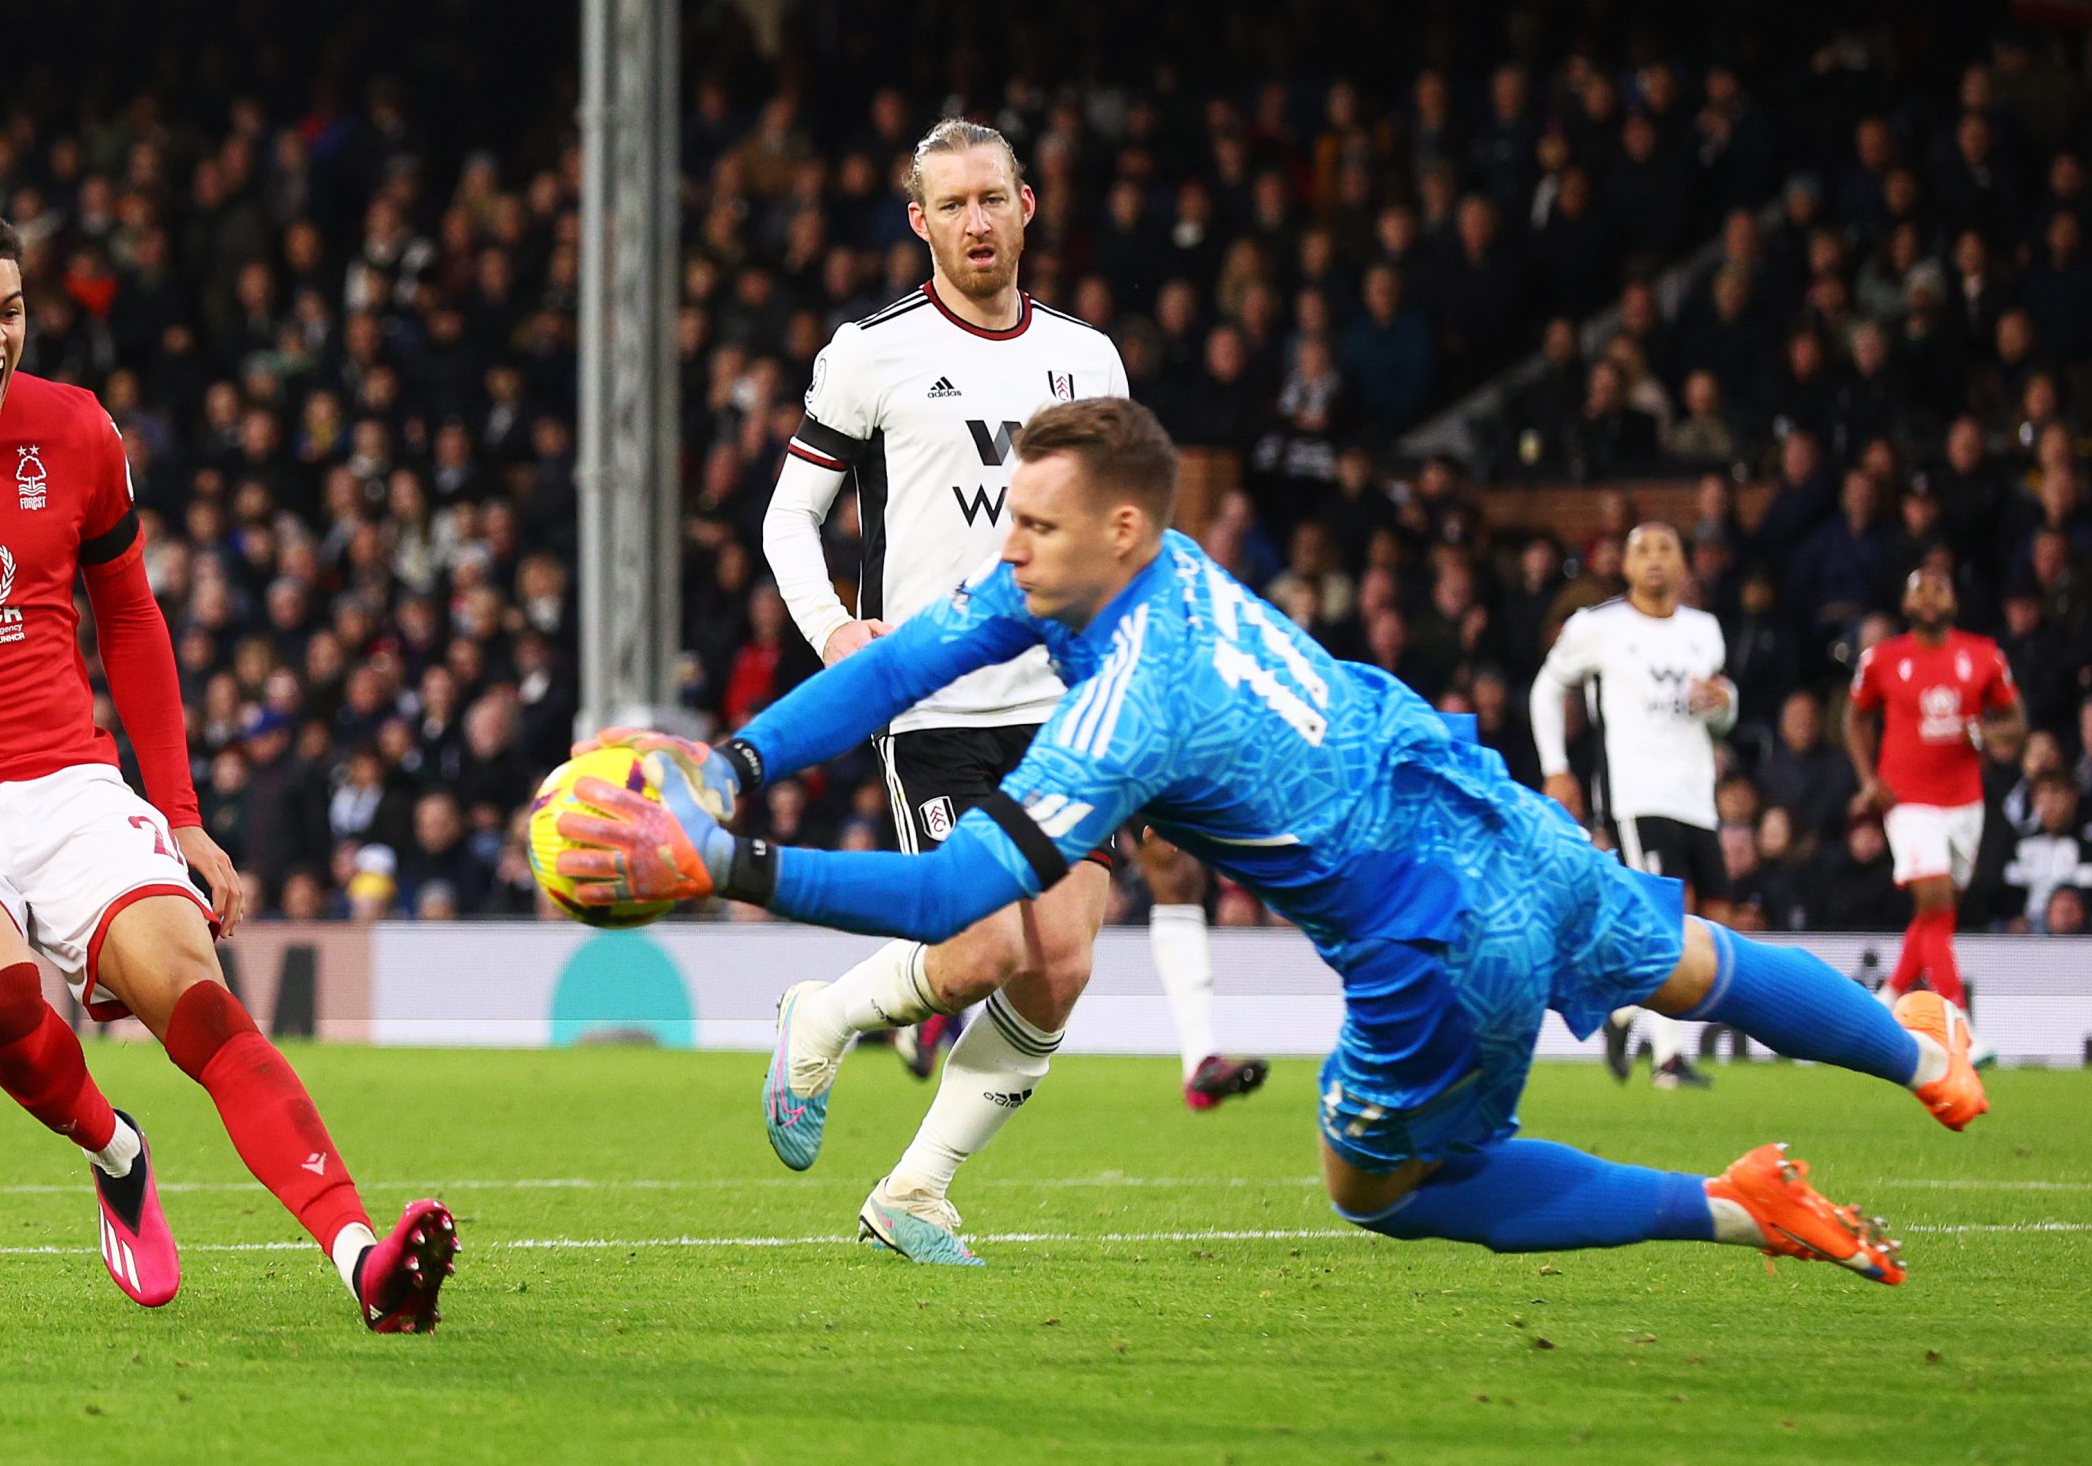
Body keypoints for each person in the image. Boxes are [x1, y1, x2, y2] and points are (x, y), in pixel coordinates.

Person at [561, 398, 1983, 1282]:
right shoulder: (1141, 564)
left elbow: (952, 887)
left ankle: (1734, 1204)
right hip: (1495, 815)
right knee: (1697, 962)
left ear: (1115, 527)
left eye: (1034, 527)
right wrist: (738, 759)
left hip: (1437, 939)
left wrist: (729, 866)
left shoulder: (1134, 703)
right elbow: (896, 664)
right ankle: (1927, 1053)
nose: (1010, 551)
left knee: (1382, 1185)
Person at [0, 201, 455, 1333]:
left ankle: (360, 1258)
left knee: (198, 999)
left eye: (10, 310)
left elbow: (133, 621)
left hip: (66, 786)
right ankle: (116, 1151)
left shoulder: (79, 435)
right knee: (2, 997)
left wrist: (183, 816)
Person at [756, 119, 1263, 1266]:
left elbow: (1127, 539)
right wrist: (835, 631)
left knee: (1064, 960)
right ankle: (822, 1015)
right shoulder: (869, 352)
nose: (976, 223)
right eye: (953, 206)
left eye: (993, 199)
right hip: (937, 704)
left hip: (1070, 707)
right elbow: (790, 515)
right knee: (984, 947)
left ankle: (916, 1191)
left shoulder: (1090, 360)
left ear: (1027, 206)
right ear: (918, 222)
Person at [1528, 522, 1737, 1089]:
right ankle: (1668, 1058)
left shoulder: (1703, 630)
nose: (1654, 560)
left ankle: (1620, 1012)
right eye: (1642, 549)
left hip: (1695, 794)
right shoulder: (1598, 628)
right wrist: (1556, 767)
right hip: (1635, 794)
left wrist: (1725, 703)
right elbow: (1547, 688)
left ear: (1683, 564)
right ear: (1623, 565)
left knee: (1713, 915)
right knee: (1664, 920)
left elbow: (1721, 712)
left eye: (1666, 548)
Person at [1843, 567, 2022, 1063]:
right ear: (1905, 601)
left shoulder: (1983, 655)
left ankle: (1888, 999)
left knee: (1936, 913)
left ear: (1954, 601)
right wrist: (1867, 779)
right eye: (1919, 588)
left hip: (1964, 800)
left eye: (1938, 588)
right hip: (1906, 800)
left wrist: (1987, 735)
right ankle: (1958, 1026)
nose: (1928, 598)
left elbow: (2016, 722)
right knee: (1937, 899)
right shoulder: (1882, 659)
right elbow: (1853, 716)